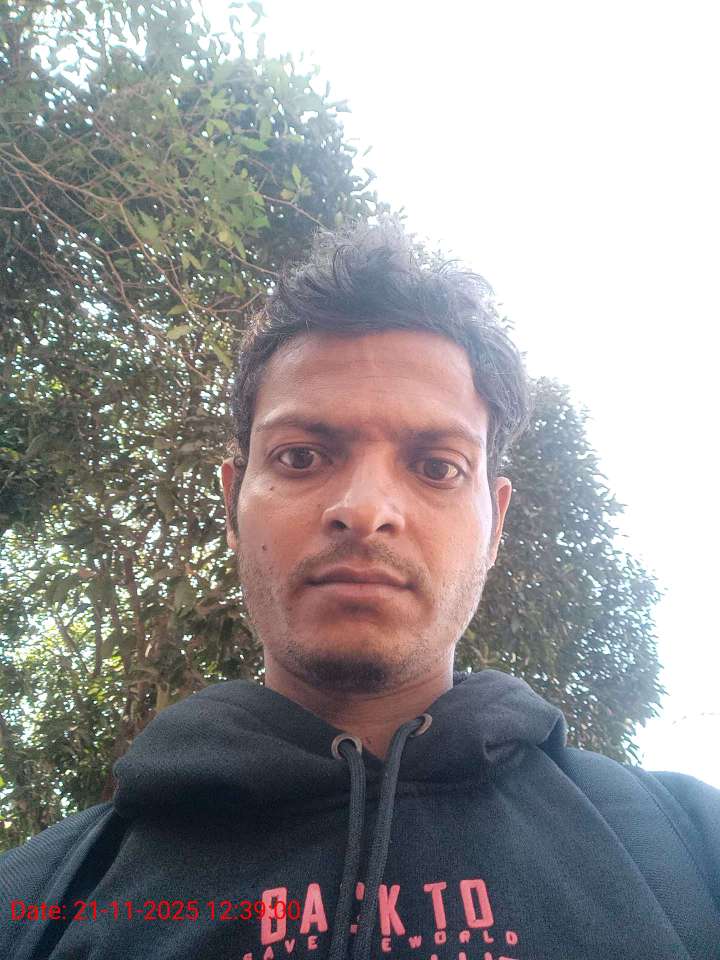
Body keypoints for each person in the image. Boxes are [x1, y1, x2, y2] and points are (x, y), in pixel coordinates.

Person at [2, 218, 719, 960]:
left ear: (495, 524)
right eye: (302, 456)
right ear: (233, 502)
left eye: (437, 467)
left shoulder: (692, 850)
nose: (366, 509)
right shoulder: (39, 904)